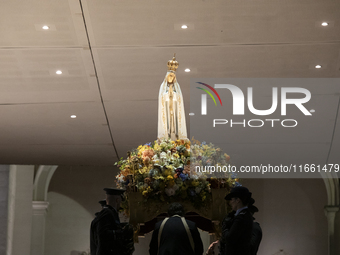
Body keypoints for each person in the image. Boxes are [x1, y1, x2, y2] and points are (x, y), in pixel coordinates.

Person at [207, 186, 253, 255]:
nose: (230, 202)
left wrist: (225, 226)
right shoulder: (242, 215)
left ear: (238, 200)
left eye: (231, 199)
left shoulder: (242, 217)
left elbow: (229, 238)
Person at [90, 187, 134, 255]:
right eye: (120, 201)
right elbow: (103, 234)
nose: (121, 203)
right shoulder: (107, 212)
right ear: (117, 200)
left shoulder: (110, 212)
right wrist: (122, 232)